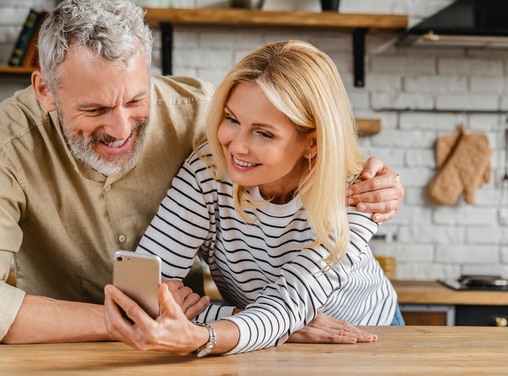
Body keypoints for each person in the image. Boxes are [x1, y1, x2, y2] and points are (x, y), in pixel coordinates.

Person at [0, 0, 405, 345]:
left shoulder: (205, 118)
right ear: (45, 92)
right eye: (94, 109)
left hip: (364, 335)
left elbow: (316, 145)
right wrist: (152, 319)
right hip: (99, 346)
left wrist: (381, 187)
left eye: (137, 100)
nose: (120, 129)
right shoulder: (2, 147)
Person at [104, 40, 401, 356]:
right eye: (232, 119)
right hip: (253, 340)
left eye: (264, 133)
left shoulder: (355, 194)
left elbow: (289, 303)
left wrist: (200, 335)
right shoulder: (209, 167)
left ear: (312, 143)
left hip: (364, 339)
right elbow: (139, 294)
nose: (236, 146)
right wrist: (259, 324)